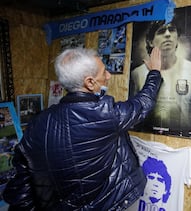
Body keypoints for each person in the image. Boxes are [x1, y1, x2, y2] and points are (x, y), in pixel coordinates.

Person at [2, 47, 162, 210]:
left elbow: (22, 183)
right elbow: (143, 104)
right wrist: (155, 72)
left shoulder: (37, 124)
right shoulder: (104, 114)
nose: (108, 76)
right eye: (104, 71)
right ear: (90, 82)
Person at [130, 19, 191, 132]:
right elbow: (133, 114)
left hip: (183, 138)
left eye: (172, 30)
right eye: (161, 31)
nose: (168, 34)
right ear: (150, 41)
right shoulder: (137, 74)